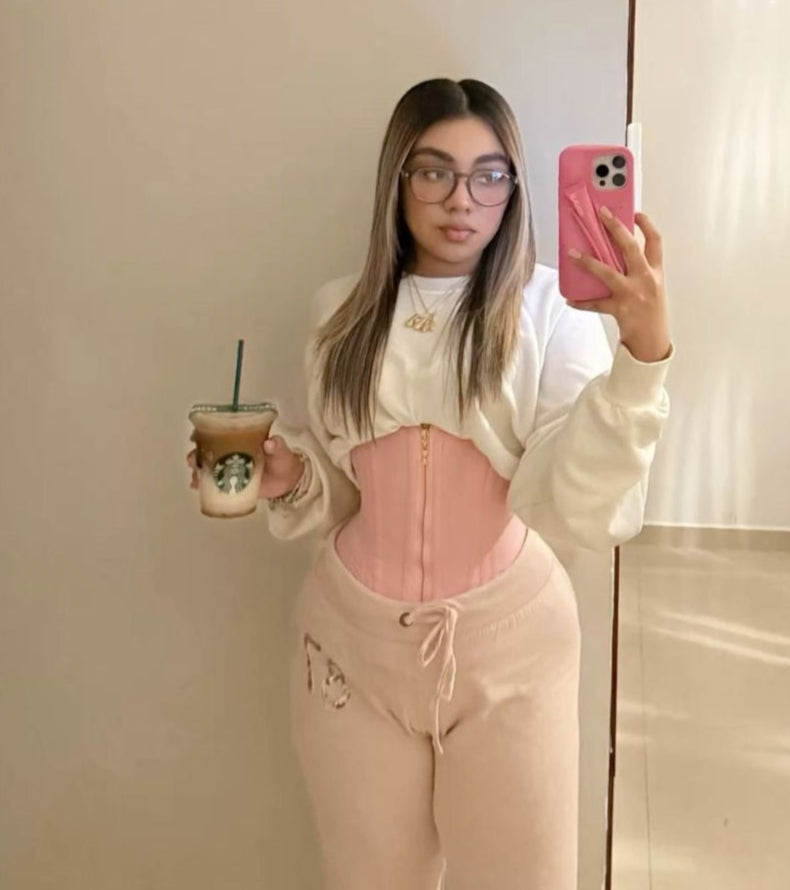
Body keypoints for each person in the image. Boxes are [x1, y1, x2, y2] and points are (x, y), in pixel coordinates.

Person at [187, 77, 673, 890]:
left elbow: (583, 501)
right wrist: (289, 475)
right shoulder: (339, 312)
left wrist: (641, 359)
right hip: (349, 648)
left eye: (489, 175)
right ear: (398, 179)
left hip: (512, 650)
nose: (461, 199)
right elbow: (347, 493)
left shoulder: (550, 309)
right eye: (434, 171)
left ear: (514, 189)